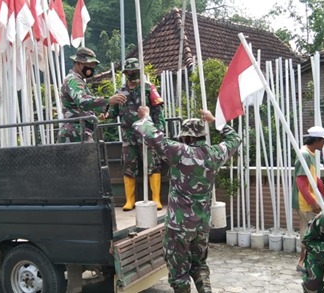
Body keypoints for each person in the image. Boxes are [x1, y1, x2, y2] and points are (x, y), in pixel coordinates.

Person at [133, 106, 241, 293]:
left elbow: (152, 136)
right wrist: (215, 120)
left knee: (179, 273)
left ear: (186, 137)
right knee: (199, 265)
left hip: (179, 226)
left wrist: (146, 117)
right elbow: (235, 139)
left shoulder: (179, 152)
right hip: (202, 224)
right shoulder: (215, 154)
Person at [103, 58, 166, 211]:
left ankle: (156, 199)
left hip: (146, 133)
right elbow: (113, 112)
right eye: (129, 72)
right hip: (128, 135)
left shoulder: (148, 88)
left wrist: (159, 130)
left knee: (152, 164)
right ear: (125, 73)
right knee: (128, 166)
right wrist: (106, 114)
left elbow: (158, 111)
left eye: (134, 71)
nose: (132, 74)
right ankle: (129, 201)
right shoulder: (120, 91)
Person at [58, 47, 126, 143]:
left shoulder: (79, 80)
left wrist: (104, 108)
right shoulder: (73, 80)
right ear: (78, 63)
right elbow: (83, 101)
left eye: (93, 66)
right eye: (88, 65)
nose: (91, 68)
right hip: (75, 132)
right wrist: (108, 100)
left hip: (80, 131)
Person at [292, 126, 324, 273]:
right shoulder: (304, 154)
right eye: (323, 141)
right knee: (309, 233)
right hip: (304, 203)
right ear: (317, 140)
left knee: (309, 231)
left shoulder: (310, 154)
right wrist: (313, 202)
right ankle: (303, 262)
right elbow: (301, 182)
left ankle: (305, 262)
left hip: (308, 201)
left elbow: (314, 177)